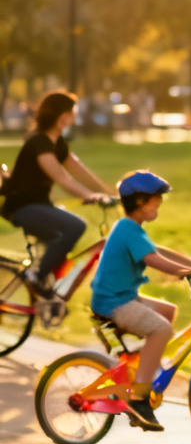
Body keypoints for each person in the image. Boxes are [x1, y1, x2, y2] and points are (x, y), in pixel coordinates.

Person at [90, 170, 191, 432]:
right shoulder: (127, 228)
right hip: (113, 302)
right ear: (138, 202)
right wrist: (182, 272)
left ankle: (142, 369)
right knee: (161, 329)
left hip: (123, 296)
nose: (159, 203)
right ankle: (139, 398)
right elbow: (152, 260)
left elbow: (156, 250)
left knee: (168, 311)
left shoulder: (131, 228)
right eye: (154, 199)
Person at [0, 90, 115, 295]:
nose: (75, 116)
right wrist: (89, 196)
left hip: (40, 205)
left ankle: (45, 294)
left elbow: (80, 172)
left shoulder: (58, 144)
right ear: (64, 116)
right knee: (75, 225)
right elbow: (64, 179)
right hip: (21, 207)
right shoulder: (39, 142)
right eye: (74, 112)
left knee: (61, 242)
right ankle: (37, 276)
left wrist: (109, 193)